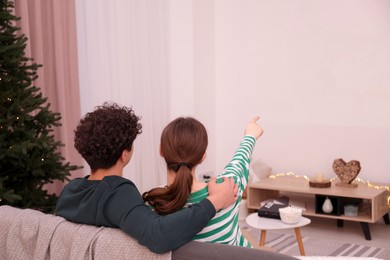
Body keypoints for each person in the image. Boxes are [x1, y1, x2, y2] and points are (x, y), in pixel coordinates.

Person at [55, 102, 238, 254]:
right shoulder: (118, 194)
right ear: (124, 155)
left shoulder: (70, 191)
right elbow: (159, 235)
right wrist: (215, 201)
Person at [143, 116, 263, 248]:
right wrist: (250, 136)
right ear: (202, 157)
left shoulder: (151, 204)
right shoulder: (228, 188)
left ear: (161, 151)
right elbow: (240, 159)